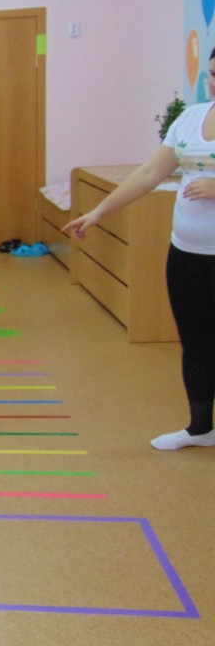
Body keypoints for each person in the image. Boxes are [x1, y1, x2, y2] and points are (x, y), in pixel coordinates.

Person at [63, 50, 215, 451]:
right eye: (213, 74)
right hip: (187, 250)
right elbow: (149, 173)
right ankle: (201, 428)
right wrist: (98, 211)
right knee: (195, 341)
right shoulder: (191, 118)